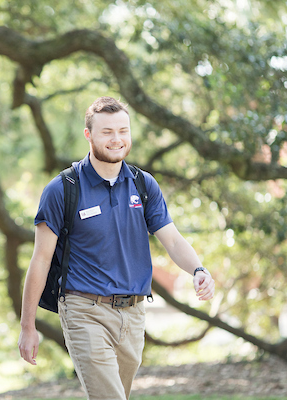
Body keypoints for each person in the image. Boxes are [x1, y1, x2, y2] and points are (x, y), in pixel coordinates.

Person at [18, 97, 215, 400]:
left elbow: (173, 240)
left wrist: (198, 269)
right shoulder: (62, 189)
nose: (117, 139)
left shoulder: (143, 185)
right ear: (89, 135)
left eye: (123, 131)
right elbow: (41, 260)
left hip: (134, 314)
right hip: (84, 311)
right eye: (107, 131)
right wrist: (27, 326)